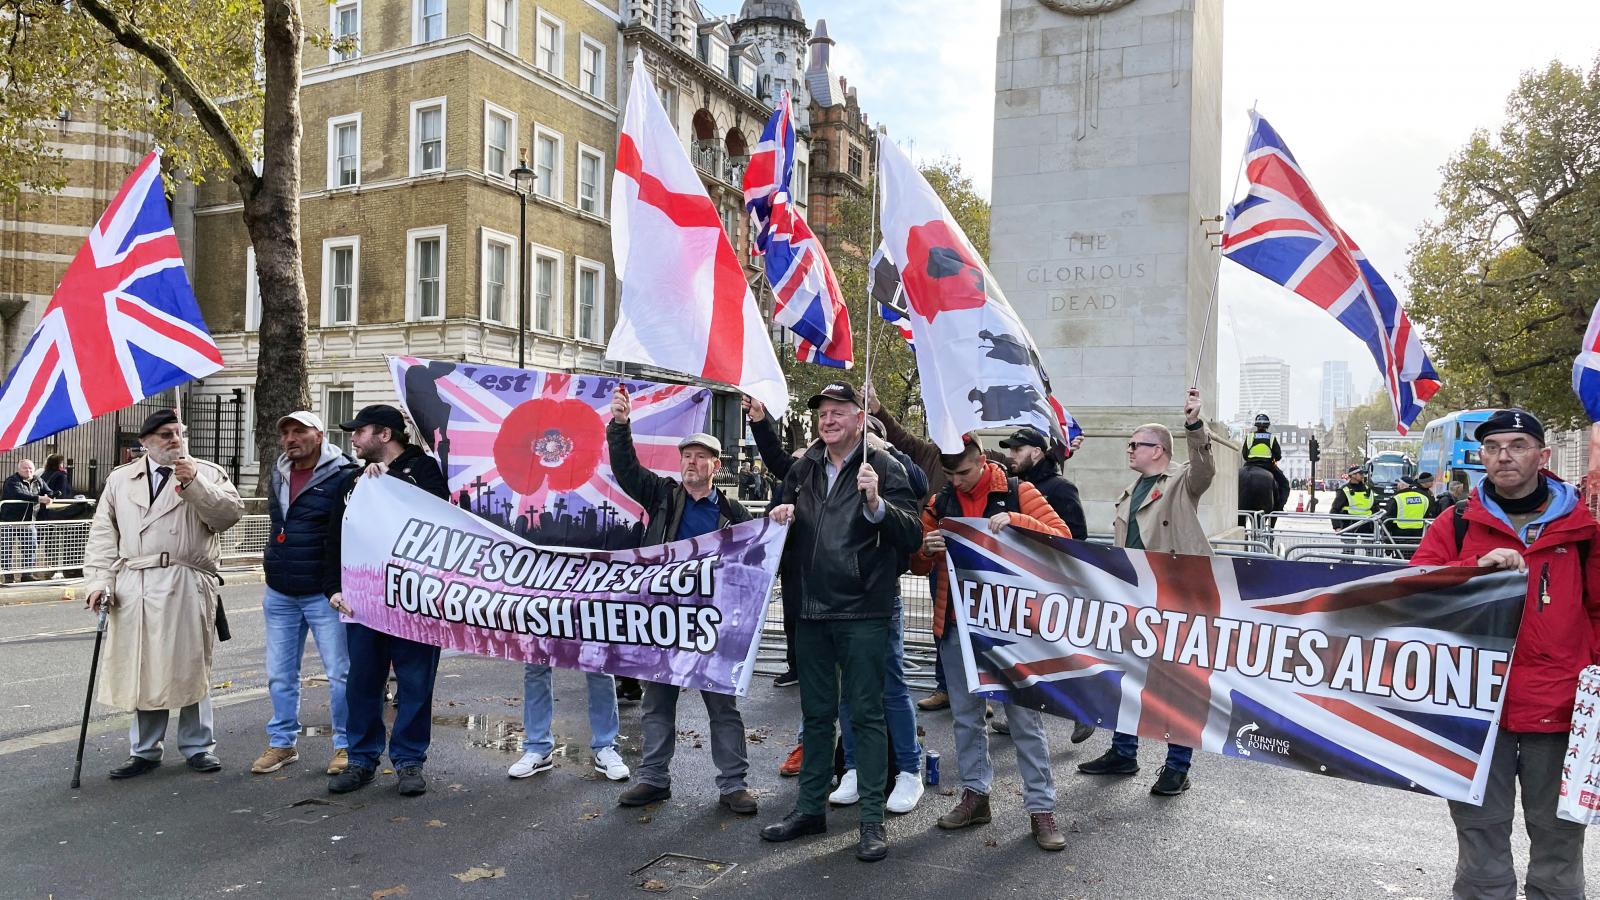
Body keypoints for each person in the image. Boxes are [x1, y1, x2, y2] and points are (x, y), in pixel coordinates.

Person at [1410, 408, 1597, 900]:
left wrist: (1588, 681)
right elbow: (1413, 595)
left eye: (1516, 445)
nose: (1503, 456)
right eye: (1492, 447)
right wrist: (1475, 568)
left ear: (1543, 454)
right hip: (1475, 711)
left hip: (1558, 712)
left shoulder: (1583, 529)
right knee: (1479, 837)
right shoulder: (1454, 524)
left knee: (1559, 844)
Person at [759, 382, 922, 863]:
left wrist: (876, 505)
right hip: (810, 610)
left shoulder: (884, 467)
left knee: (867, 714)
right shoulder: (803, 467)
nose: (827, 420)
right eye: (822, 413)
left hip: (863, 611)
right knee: (815, 716)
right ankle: (810, 809)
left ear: (857, 418)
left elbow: (912, 534)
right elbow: (783, 529)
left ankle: (871, 820)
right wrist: (780, 516)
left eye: (837, 412)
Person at [910, 437, 1073, 851]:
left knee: (1024, 720)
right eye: (949, 475)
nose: (957, 483)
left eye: (964, 473)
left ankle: (1041, 808)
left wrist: (1019, 522)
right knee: (966, 716)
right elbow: (916, 561)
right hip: (957, 624)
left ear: (982, 461)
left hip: (1012, 627)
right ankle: (975, 796)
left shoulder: (1020, 492)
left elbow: (1064, 540)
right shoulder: (940, 502)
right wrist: (925, 551)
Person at [607, 385, 758, 816]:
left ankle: (733, 784)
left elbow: (755, 566)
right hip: (664, 620)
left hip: (711, 625)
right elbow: (626, 469)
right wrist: (620, 426)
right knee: (657, 704)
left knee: (722, 707)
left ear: (716, 465)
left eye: (700, 457)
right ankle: (653, 778)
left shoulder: (733, 513)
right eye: (686, 456)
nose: (691, 463)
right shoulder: (662, 496)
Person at [83, 409, 244, 778]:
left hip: (185, 580)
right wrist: (98, 583)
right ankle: (144, 750)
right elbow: (104, 537)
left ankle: (199, 746)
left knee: (190, 665)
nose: (174, 439)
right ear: (144, 443)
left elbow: (228, 516)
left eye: (177, 432)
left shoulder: (206, 472)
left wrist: (195, 485)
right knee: (143, 666)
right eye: (165, 434)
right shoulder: (121, 480)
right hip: (134, 583)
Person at [1078, 388, 1212, 796]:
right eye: (1130, 444)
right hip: (1135, 598)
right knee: (1128, 676)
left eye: (1137, 444)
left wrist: (1193, 424)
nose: (1129, 449)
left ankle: (1177, 766)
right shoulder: (1130, 491)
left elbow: (1204, 468)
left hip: (1176, 598)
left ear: (1160, 450)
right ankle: (1124, 751)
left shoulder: (1179, 483)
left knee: (1176, 683)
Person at [323, 405, 454, 797]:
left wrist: (389, 482)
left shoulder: (427, 471)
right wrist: (334, 588)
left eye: (359, 431)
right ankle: (361, 759)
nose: (352, 438)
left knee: (415, 683)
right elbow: (335, 538)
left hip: (415, 601)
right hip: (363, 603)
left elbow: (442, 518)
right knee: (363, 684)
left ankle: (410, 760)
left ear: (385, 434)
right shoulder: (351, 481)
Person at [252, 411, 359, 777]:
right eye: (285, 433)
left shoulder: (346, 474)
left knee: (340, 673)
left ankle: (346, 745)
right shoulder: (279, 472)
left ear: (319, 434)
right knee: (280, 674)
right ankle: (282, 743)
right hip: (280, 590)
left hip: (324, 593)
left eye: (299, 431)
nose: (290, 439)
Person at [996, 425, 1094, 744]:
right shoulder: (1014, 487)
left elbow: (1076, 536)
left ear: (1036, 452)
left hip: (1053, 587)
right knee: (1023, 657)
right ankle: (1019, 716)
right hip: (1022, 585)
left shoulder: (1060, 488)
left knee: (1062, 655)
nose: (1012, 456)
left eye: (1017, 450)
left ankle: (1083, 713)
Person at [2, 458, 53, 582]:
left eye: (30, 468)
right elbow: (18, 494)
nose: (28, 470)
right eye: (25, 468)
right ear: (18, 470)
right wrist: (39, 498)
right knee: (6, 548)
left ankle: (27, 575)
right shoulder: (11, 481)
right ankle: (8, 576)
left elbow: (48, 491)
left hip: (29, 521)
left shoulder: (38, 480)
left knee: (31, 547)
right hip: (10, 521)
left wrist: (51, 496)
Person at [1239, 413, 1289, 512]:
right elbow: (1278, 456)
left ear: (1256, 425)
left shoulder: (1249, 437)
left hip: (1249, 465)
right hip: (1268, 466)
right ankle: (1279, 507)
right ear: (1267, 426)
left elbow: (1244, 455)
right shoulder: (1271, 438)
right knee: (1284, 484)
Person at [1382, 474, 1433, 556]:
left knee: (1401, 559)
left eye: (1399, 483)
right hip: (1418, 534)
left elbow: (1388, 518)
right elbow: (1426, 514)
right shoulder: (1424, 498)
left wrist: (1387, 542)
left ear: (1402, 485)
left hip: (1400, 534)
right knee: (1414, 557)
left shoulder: (1397, 498)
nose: (1397, 485)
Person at [1330, 465, 1378, 539]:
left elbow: (1375, 507)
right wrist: (1337, 527)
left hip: (1367, 524)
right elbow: (1334, 509)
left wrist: (1377, 524)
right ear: (1353, 475)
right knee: (1349, 549)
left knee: (1369, 548)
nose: (1363, 475)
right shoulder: (1344, 490)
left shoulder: (1368, 489)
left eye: (1363, 474)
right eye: (1360, 474)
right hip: (1349, 524)